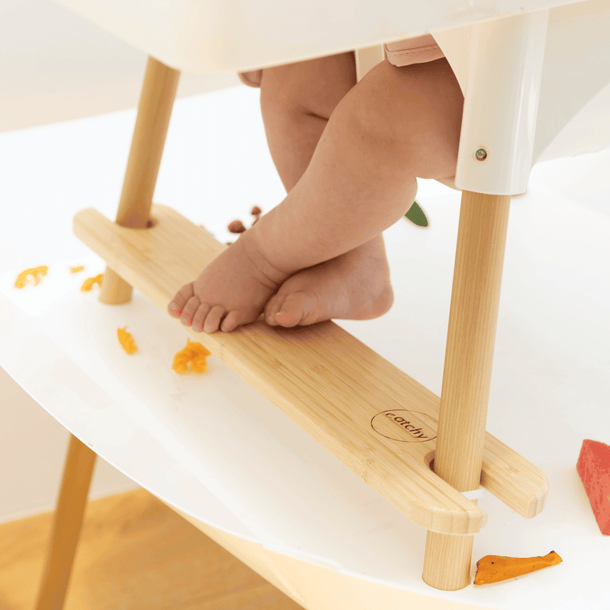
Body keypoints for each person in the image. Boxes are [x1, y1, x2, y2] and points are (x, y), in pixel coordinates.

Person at [167, 35, 464, 333]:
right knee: (296, 70)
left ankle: (259, 258)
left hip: (485, 68)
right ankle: (356, 260)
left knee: (386, 117)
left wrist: (258, 260)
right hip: (402, 28)